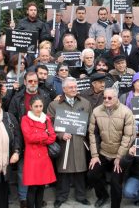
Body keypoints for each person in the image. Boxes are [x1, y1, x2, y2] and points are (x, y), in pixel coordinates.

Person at [87, 87, 135, 208]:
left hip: (119, 153)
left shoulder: (126, 112)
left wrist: (119, 157)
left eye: (109, 98)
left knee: (115, 182)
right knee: (92, 174)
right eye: (104, 98)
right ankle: (103, 196)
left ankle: (115, 205)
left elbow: (128, 136)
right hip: (104, 152)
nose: (106, 100)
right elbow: (92, 134)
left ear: (116, 98)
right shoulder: (96, 111)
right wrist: (94, 155)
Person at [48, 78, 92, 208]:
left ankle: (81, 196)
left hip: (79, 141)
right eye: (71, 87)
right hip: (63, 143)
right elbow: (49, 126)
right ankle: (61, 197)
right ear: (64, 89)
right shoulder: (54, 105)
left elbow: (90, 122)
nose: (74, 89)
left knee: (80, 170)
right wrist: (60, 135)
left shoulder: (85, 103)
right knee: (63, 171)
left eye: (75, 87)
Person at [21, 95, 57, 208]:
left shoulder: (46, 119)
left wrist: (39, 138)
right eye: (36, 106)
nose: (39, 108)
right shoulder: (25, 119)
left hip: (44, 157)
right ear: (30, 107)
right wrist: (44, 135)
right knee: (32, 187)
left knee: (41, 186)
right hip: (31, 157)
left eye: (41, 106)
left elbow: (53, 137)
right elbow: (29, 138)